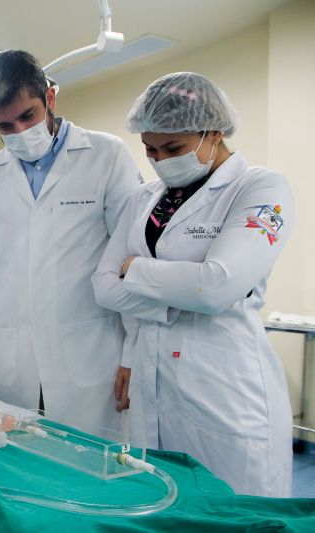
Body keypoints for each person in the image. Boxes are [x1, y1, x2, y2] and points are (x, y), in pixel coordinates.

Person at [92, 72, 295, 497]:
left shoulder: (261, 187)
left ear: (213, 132)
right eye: (150, 150)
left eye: (174, 148)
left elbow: (217, 287)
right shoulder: (144, 198)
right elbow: (104, 287)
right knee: (163, 503)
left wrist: (136, 269)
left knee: (235, 511)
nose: (160, 160)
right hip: (153, 380)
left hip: (225, 388)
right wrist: (180, 295)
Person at [0, 50, 141, 434]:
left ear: (49, 97)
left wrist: (134, 353)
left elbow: (130, 260)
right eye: (4, 126)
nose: (19, 131)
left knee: (91, 458)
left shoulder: (107, 156)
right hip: (15, 357)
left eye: (27, 116)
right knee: (20, 452)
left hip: (91, 351)